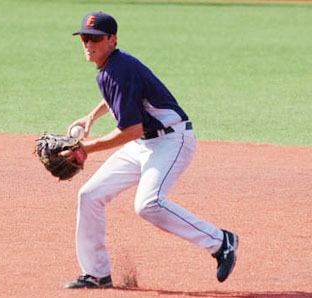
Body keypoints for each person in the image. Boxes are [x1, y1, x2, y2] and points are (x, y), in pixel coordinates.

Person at [64, 12, 239, 289]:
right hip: (144, 143)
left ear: (112, 40)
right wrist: (91, 117)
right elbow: (119, 96)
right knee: (90, 195)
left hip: (171, 140)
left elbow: (130, 130)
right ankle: (96, 273)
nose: (88, 43)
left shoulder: (118, 68)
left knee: (148, 204)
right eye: (84, 38)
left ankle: (220, 241)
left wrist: (88, 147)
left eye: (95, 38)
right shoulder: (112, 68)